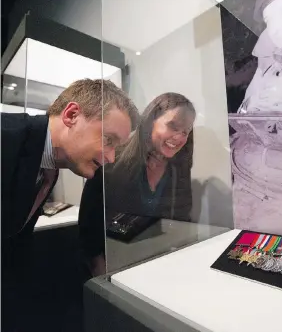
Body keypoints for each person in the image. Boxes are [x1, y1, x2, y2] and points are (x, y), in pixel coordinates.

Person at [1, 78, 138, 332]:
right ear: (72, 115)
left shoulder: (50, 167)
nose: (110, 157)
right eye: (108, 139)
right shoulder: (5, 138)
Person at [78, 93, 195, 277]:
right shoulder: (112, 159)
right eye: (173, 126)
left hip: (156, 268)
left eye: (185, 131)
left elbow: (182, 224)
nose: (179, 138)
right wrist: (105, 281)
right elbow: (89, 233)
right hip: (115, 270)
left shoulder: (178, 169)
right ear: (151, 121)